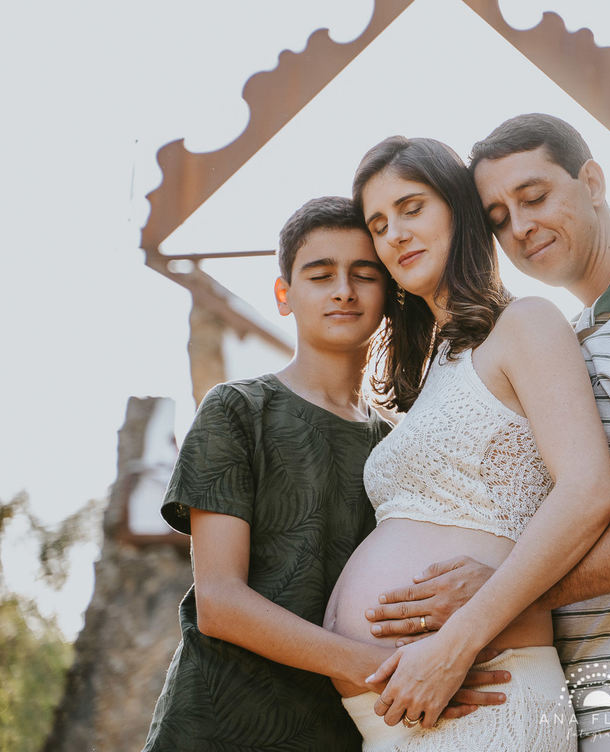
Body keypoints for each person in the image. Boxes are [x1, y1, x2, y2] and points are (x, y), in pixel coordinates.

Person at [371, 114, 610, 750]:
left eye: (534, 197)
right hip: (573, 706)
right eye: (499, 217)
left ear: (593, 181)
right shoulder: (570, 339)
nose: (521, 228)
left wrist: (502, 600)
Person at [142, 197, 506, 752]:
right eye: (320, 275)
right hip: (222, 721)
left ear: (389, 295)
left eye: (365, 275)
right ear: (284, 295)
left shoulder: (399, 444)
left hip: (348, 728)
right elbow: (219, 602)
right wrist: (389, 668)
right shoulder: (238, 410)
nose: (344, 290)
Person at [324, 136, 610, 751]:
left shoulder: (526, 324)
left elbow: (589, 493)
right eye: (379, 225)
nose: (395, 234)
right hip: (399, 710)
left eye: (412, 208)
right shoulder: (435, 366)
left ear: (458, 211)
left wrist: (454, 644)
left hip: (482, 689)